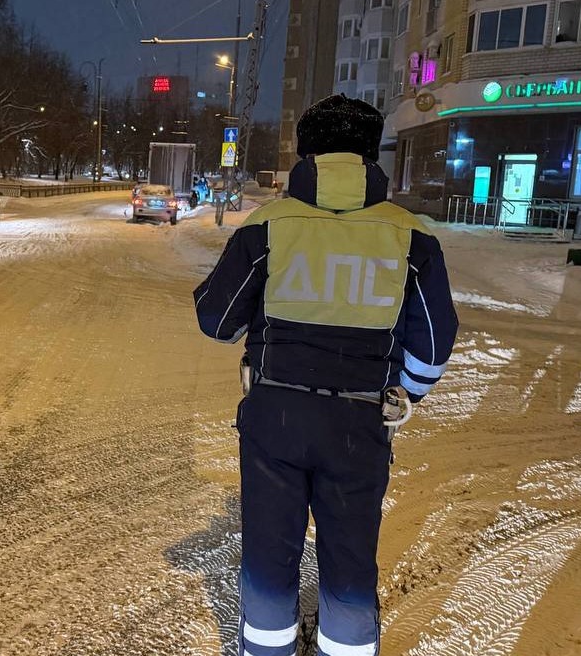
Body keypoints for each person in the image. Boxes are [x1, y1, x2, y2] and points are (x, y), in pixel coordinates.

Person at [193, 94, 458, 656]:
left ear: (306, 153)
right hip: (360, 421)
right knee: (349, 550)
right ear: (372, 152)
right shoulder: (410, 235)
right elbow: (433, 344)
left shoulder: (270, 225)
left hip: (276, 415)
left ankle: (267, 647)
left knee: (269, 546)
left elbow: (217, 321)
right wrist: (402, 394)